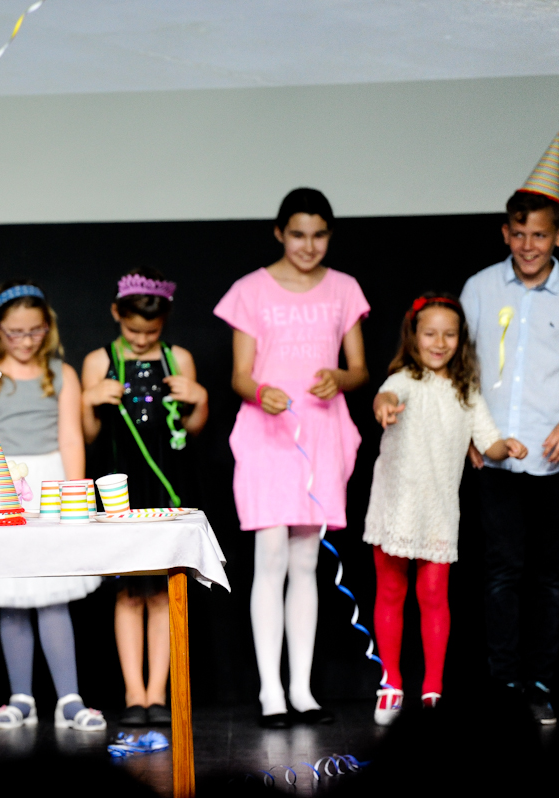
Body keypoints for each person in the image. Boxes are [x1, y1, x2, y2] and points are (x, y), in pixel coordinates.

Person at [213, 188, 370, 727]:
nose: (308, 245)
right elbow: (240, 375)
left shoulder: (344, 288)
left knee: (307, 561)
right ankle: (270, 692)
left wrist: (339, 378)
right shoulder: (250, 290)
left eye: (319, 235)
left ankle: (302, 690)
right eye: (298, 234)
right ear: (279, 233)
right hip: (268, 433)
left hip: (321, 432)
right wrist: (261, 393)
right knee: (271, 557)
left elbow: (358, 369)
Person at [364, 294, 527, 725]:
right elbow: (385, 396)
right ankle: (391, 683)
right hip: (395, 504)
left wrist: (504, 447)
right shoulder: (403, 379)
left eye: (449, 335)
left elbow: (488, 439)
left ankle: (432, 689)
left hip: (438, 508)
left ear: (461, 339)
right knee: (391, 592)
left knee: (434, 597)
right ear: (413, 335)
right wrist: (384, 406)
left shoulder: (465, 390)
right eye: (430, 333)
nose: (440, 343)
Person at [0, 280, 107, 733]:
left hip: (50, 486)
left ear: (48, 327)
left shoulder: (62, 374)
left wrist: (76, 498)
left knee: (53, 594)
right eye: (15, 332)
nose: (26, 341)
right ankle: (21, 698)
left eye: (35, 331)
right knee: (12, 596)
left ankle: (69, 700)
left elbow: (71, 438)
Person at [80, 268, 208, 727]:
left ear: (164, 323)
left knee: (164, 590)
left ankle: (159, 693)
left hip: (167, 487)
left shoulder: (178, 358)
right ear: (116, 314)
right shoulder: (99, 360)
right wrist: (89, 399)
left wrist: (200, 399)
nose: (140, 340)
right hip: (120, 489)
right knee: (130, 590)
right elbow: (89, 435)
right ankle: (134, 693)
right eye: (133, 330)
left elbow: (190, 432)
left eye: (150, 332)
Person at [459, 138, 559, 725]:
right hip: (496, 457)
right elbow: (462, 367)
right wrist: (475, 435)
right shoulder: (480, 288)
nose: (528, 246)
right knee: (500, 572)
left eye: (539, 235)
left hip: (552, 458)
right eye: (518, 234)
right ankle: (504, 684)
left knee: (549, 577)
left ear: (556, 237)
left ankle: (542, 682)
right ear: (504, 233)